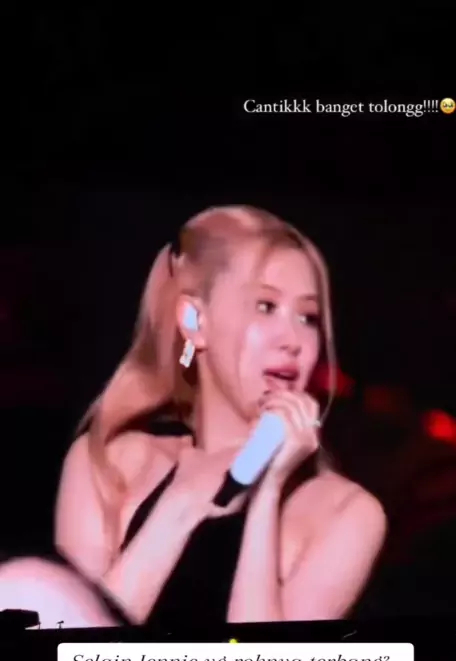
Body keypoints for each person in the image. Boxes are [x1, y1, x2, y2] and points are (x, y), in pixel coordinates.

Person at [0, 205, 386, 627]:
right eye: (265, 306)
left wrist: (266, 491)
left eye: (307, 317)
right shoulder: (109, 464)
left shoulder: (346, 513)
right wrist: (178, 509)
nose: (293, 339)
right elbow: (71, 645)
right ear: (194, 320)